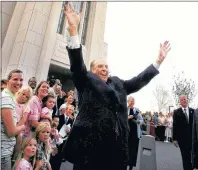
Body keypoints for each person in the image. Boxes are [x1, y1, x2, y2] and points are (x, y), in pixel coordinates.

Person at [62, 4, 171, 170]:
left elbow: (138, 81)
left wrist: (158, 62)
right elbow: (77, 64)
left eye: (106, 66)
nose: (105, 69)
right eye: (100, 66)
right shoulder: (86, 80)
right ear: (92, 70)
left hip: (117, 149)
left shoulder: (117, 83)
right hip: (90, 150)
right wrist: (73, 29)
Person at [1, 69, 25, 170]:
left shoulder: (10, 98)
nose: (18, 83)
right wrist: (22, 127)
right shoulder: (6, 98)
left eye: (21, 80)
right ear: (7, 81)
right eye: (15, 79)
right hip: (2, 154)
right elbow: (10, 132)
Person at [173, 95, 194, 170]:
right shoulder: (176, 112)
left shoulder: (193, 111)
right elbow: (175, 125)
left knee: (193, 156)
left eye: (185, 99)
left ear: (187, 100)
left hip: (192, 138)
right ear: (180, 102)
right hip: (182, 139)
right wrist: (174, 139)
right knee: (185, 157)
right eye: (182, 100)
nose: (184, 101)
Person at [127, 96, 144, 170]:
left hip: (134, 133)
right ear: (128, 101)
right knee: (126, 149)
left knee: (133, 150)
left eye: (133, 101)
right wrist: (128, 117)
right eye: (131, 100)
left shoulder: (136, 110)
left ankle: (131, 167)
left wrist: (138, 121)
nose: (132, 102)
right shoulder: (125, 109)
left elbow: (142, 121)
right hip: (126, 133)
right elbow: (120, 118)